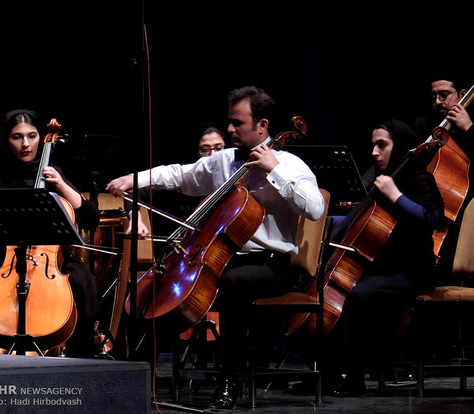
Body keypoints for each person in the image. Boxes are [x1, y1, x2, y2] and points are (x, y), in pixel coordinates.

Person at [107, 85, 326, 410]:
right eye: (230, 121)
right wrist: (134, 179)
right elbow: (181, 175)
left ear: (262, 126)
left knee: (234, 283)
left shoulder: (290, 163)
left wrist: (274, 170)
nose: (230, 129)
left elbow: (316, 208)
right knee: (154, 285)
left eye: (238, 123)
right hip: (217, 257)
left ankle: (229, 382)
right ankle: (137, 378)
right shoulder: (224, 161)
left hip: (269, 264)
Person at [310, 119, 444, 396]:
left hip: (413, 271)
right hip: (381, 268)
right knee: (326, 290)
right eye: (373, 145)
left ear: (400, 146)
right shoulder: (380, 181)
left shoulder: (418, 178)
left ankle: (355, 376)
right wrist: (318, 220)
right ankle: (328, 373)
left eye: (381, 145)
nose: (374, 152)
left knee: (359, 295)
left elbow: (432, 219)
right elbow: (356, 221)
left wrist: (396, 196)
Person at [0, 109, 100, 357]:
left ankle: (83, 359)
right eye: (16, 137)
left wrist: (60, 184)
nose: (26, 144)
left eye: (32, 136)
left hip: (47, 259)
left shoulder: (52, 172)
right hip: (0, 257)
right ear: (5, 140)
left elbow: (90, 217)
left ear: (42, 137)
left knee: (81, 278)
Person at [411, 70, 474, 279]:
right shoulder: (430, 129)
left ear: (462, 94)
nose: (438, 101)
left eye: (444, 94)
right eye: (433, 97)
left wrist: (469, 127)